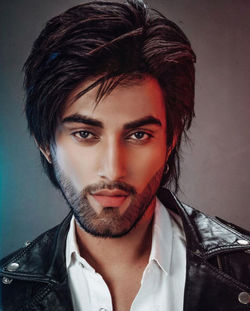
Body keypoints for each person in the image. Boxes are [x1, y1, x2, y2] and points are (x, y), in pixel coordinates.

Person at [0, 0, 249, 310]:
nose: (113, 169)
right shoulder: (6, 294)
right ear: (45, 143)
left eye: (138, 135)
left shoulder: (243, 273)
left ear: (170, 140)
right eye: (85, 134)